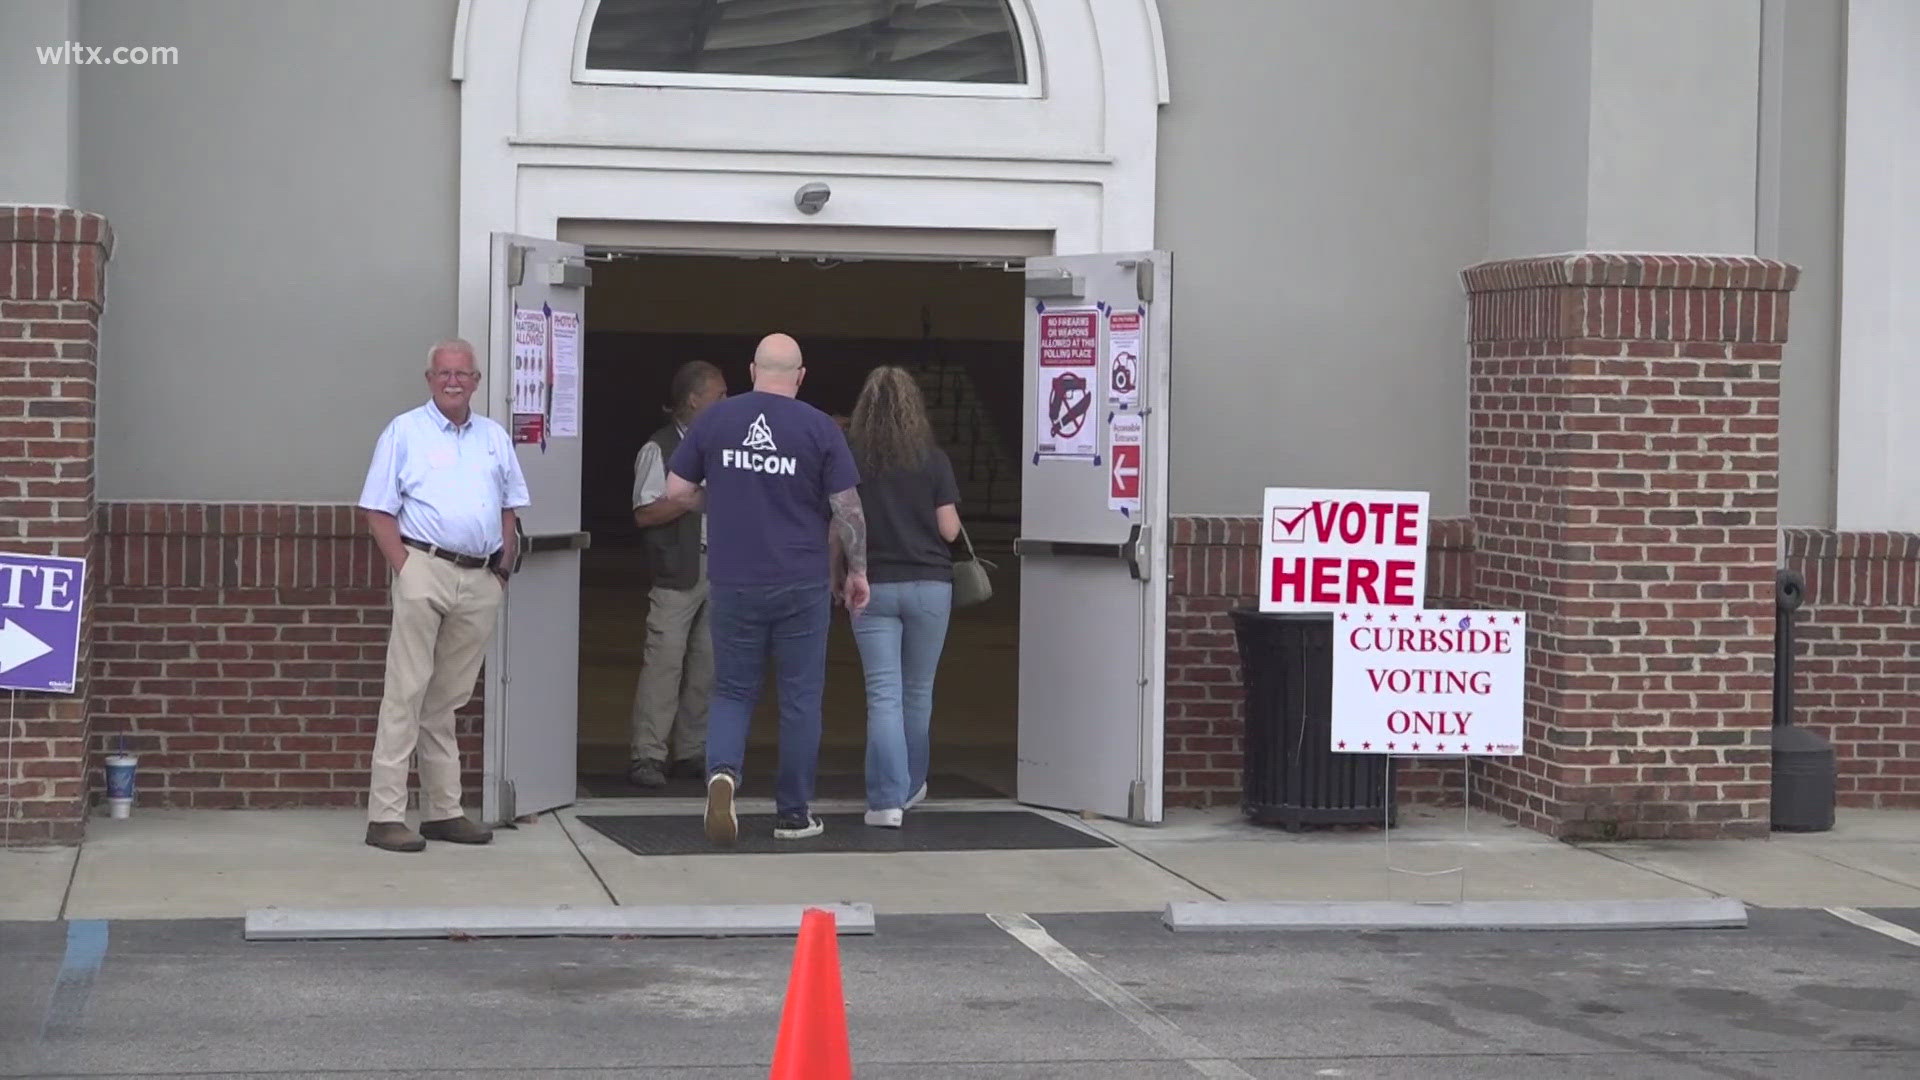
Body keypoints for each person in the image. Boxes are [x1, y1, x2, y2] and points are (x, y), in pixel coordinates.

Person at [662, 333, 869, 845]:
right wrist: (857, 571)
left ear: (753, 369)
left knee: (732, 690)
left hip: (734, 579)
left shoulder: (715, 419)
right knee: (800, 700)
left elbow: (675, 491)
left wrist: (724, 501)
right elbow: (848, 510)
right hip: (801, 582)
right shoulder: (820, 428)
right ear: (800, 376)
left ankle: (723, 775)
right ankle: (794, 815)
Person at [356, 338, 527, 852]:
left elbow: (509, 507)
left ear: (476, 382)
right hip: (423, 566)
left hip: (479, 578)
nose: (453, 381)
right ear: (429, 379)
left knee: (447, 699)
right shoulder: (404, 431)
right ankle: (385, 816)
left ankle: (443, 811)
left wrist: (501, 571)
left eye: (463, 374)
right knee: (405, 693)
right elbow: (377, 510)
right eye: (444, 373)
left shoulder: (494, 437)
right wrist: (407, 570)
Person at [839, 366, 961, 828]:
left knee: (883, 695)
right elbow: (949, 530)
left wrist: (845, 571)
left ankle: (885, 801)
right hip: (931, 586)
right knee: (918, 691)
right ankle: (912, 786)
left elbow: (841, 522)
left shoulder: (850, 457)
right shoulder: (933, 459)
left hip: (872, 585)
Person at [624, 360, 726, 789]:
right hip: (676, 573)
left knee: (708, 666)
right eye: (720, 395)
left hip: (720, 569)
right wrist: (690, 499)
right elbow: (645, 512)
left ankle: (691, 752)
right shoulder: (658, 448)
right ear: (694, 400)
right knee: (663, 667)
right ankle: (648, 755)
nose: (727, 403)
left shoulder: (724, 446)